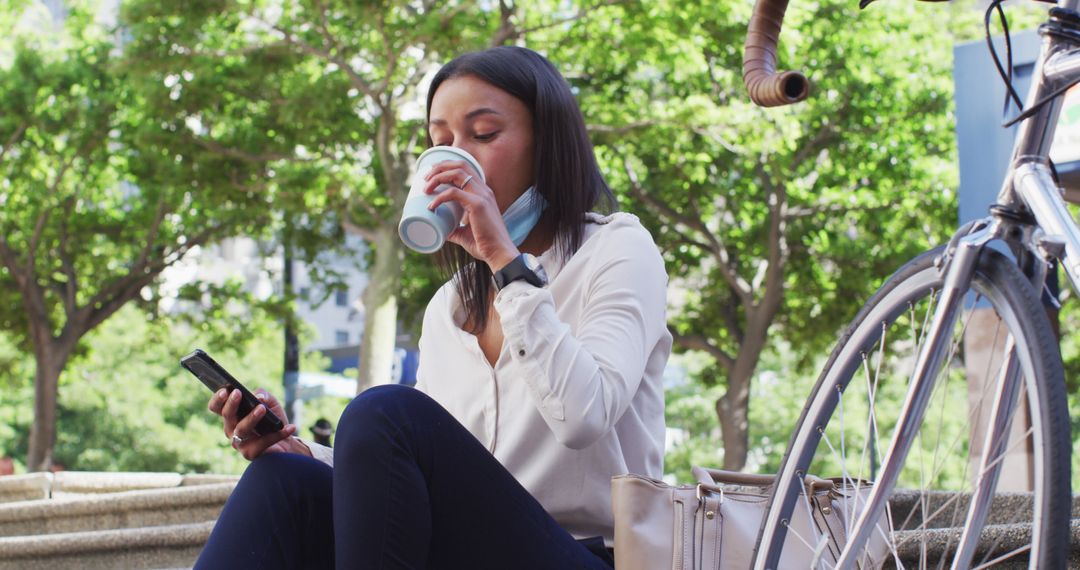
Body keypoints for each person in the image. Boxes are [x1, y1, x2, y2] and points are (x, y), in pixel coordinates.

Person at [195, 45, 671, 569]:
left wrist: (504, 261)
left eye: (483, 135)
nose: (454, 159)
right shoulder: (449, 307)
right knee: (284, 477)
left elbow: (585, 416)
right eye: (440, 142)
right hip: (468, 551)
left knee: (382, 410)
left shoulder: (617, 248)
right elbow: (420, 463)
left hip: (584, 554)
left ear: (547, 142)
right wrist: (301, 451)